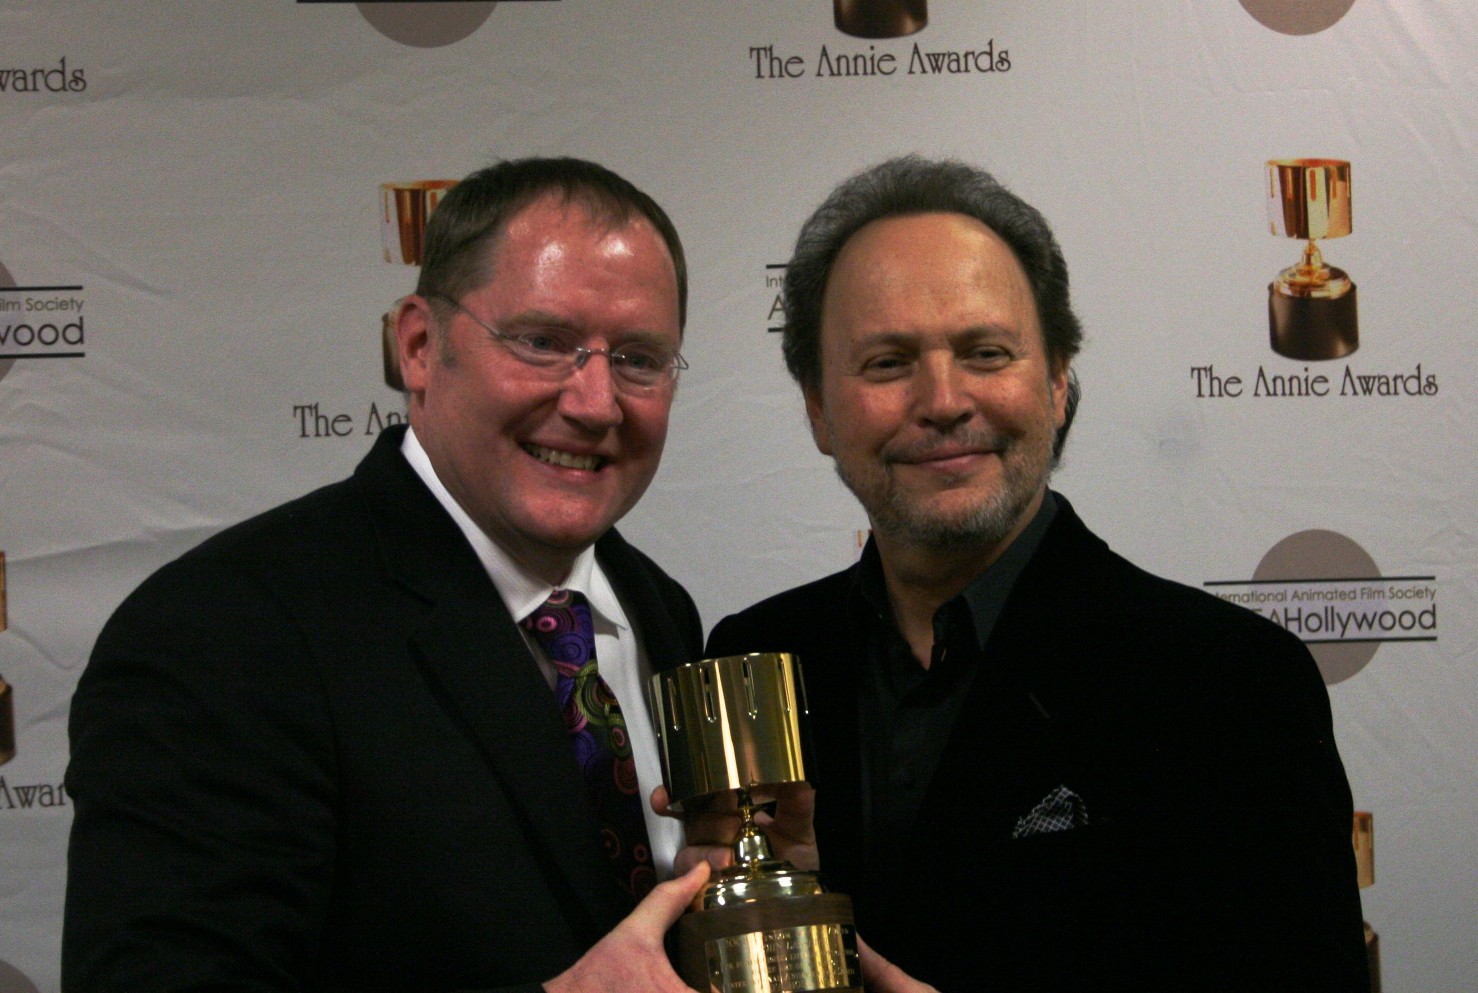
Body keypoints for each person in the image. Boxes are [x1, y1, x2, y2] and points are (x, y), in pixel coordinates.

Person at [701, 156, 1370, 992]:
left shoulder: (1229, 684)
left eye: (986, 352)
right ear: (817, 409)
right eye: (886, 362)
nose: (943, 399)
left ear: (1057, 382)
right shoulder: (755, 655)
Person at [64, 157, 712, 993]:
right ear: (418, 345)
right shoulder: (223, 632)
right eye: (544, 342)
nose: (594, 401)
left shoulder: (659, 607)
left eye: (638, 359)